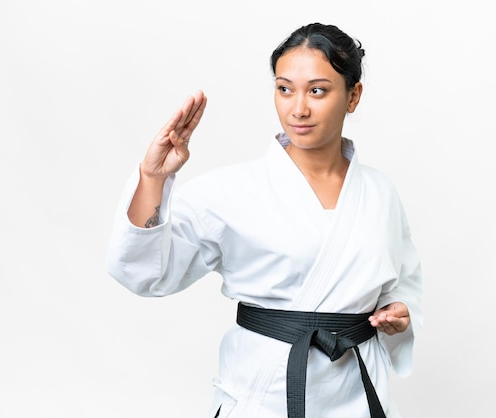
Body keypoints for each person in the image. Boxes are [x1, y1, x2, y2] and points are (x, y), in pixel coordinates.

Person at [106, 22, 423, 418]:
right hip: (266, 395)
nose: (298, 108)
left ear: (353, 95)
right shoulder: (233, 189)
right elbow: (144, 271)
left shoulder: (380, 192)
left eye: (317, 90)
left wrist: (397, 312)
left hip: (356, 394)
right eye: (284, 88)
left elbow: (404, 282)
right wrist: (154, 178)